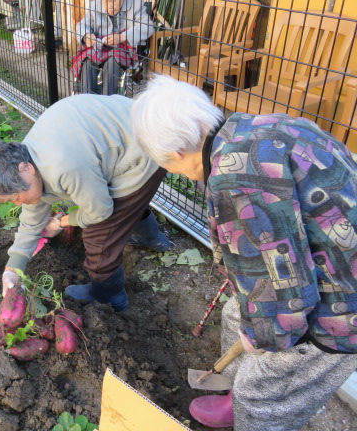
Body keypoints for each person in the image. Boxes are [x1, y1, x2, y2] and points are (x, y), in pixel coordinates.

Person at [131, 75, 357, 430]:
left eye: (167, 165)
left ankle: (249, 407)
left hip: (343, 308)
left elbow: (288, 289)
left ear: (175, 153)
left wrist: (265, 336)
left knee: (263, 396)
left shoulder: (235, 182)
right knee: (237, 312)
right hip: (331, 257)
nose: (175, 172)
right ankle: (232, 393)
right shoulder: (261, 127)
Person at [0, 93, 170, 312]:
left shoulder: (65, 168)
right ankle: (151, 239)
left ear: (26, 170)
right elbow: (31, 221)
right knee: (122, 208)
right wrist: (12, 268)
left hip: (147, 147)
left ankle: (110, 297)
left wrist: (62, 222)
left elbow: (100, 212)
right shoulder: (24, 160)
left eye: (15, 198)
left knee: (98, 236)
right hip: (130, 129)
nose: (17, 203)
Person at [72, 0, 154, 96]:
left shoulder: (137, 4)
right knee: (88, 60)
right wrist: (86, 35)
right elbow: (81, 26)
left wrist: (122, 37)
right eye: (105, 0)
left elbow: (147, 26)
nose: (108, 5)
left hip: (123, 48)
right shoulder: (94, 5)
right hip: (100, 47)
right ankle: (87, 103)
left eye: (113, 0)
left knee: (113, 61)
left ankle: (106, 103)